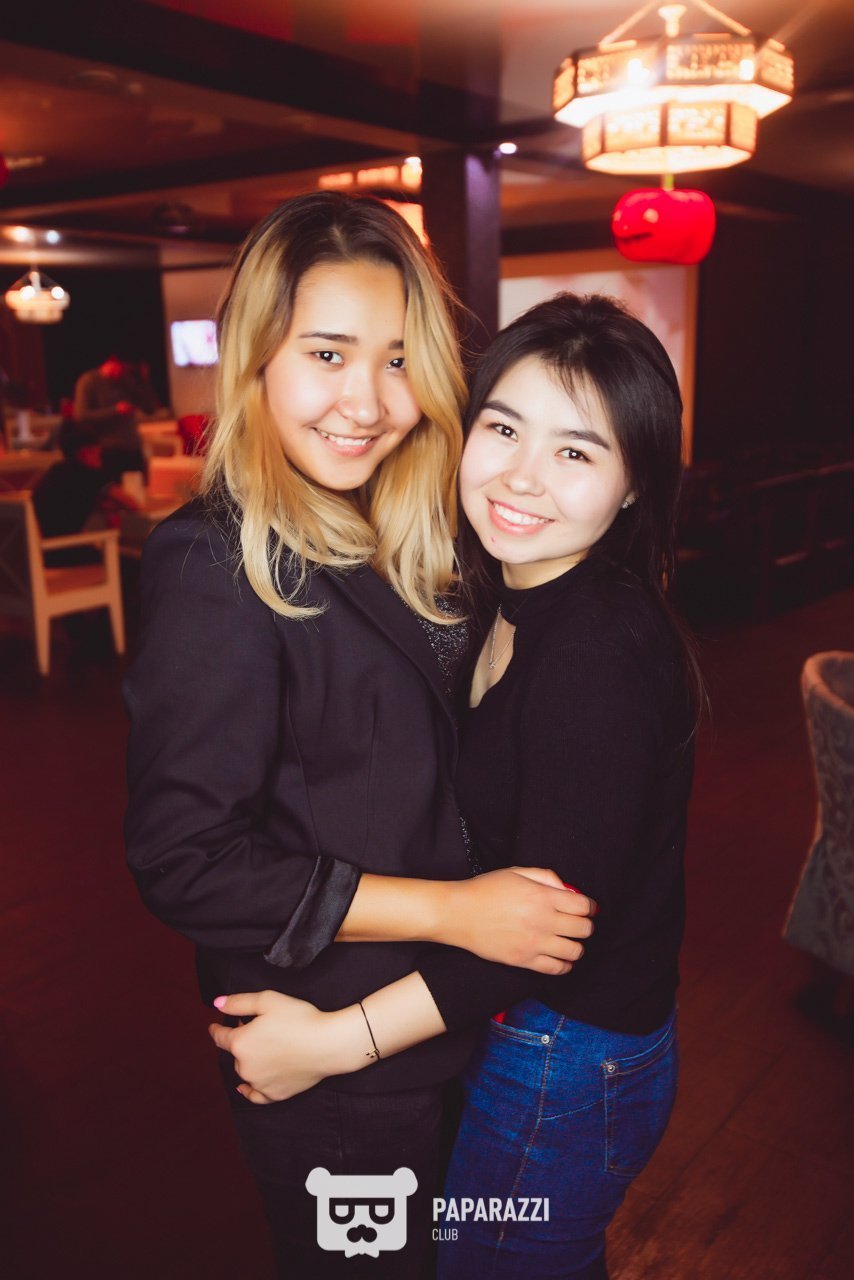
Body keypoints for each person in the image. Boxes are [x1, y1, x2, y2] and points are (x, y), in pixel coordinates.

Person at [123, 195, 594, 1278]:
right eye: (327, 353)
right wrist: (455, 911)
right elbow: (184, 857)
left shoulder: (412, 525)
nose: (368, 402)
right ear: (257, 358)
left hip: (450, 1019)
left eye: (398, 360)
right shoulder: (213, 559)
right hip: (333, 1052)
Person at [210, 292, 699, 1278]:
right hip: (537, 1035)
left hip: (568, 1055)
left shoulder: (595, 657)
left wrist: (330, 1043)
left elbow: (542, 935)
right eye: (503, 428)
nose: (521, 476)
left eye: (575, 451)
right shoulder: (508, 589)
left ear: (633, 485)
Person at [33, 420, 139, 566]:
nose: (101, 461)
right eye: (98, 455)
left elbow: (70, 502)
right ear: (85, 453)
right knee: (136, 565)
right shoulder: (90, 475)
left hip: (45, 555)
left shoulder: (56, 471)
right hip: (68, 554)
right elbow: (132, 505)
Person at [74, 353, 164, 479]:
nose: (122, 372)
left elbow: (150, 409)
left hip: (132, 446)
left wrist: (144, 381)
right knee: (112, 488)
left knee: (138, 486)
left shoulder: (127, 380)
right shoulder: (89, 381)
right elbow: (81, 416)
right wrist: (115, 410)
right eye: (121, 368)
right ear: (111, 362)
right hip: (107, 449)